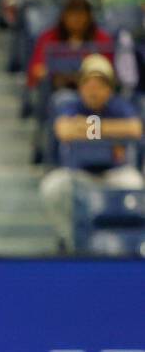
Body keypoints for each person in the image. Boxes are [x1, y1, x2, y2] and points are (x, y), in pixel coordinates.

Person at [40, 54, 144, 247]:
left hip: (115, 173)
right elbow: (64, 130)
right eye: (88, 84)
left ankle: (129, 243)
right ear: (80, 87)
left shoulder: (119, 106)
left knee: (136, 184)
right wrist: (110, 130)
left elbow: (134, 128)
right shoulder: (71, 106)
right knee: (52, 187)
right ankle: (70, 240)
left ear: (109, 89)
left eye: (100, 85)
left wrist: (86, 127)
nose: (93, 91)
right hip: (79, 174)